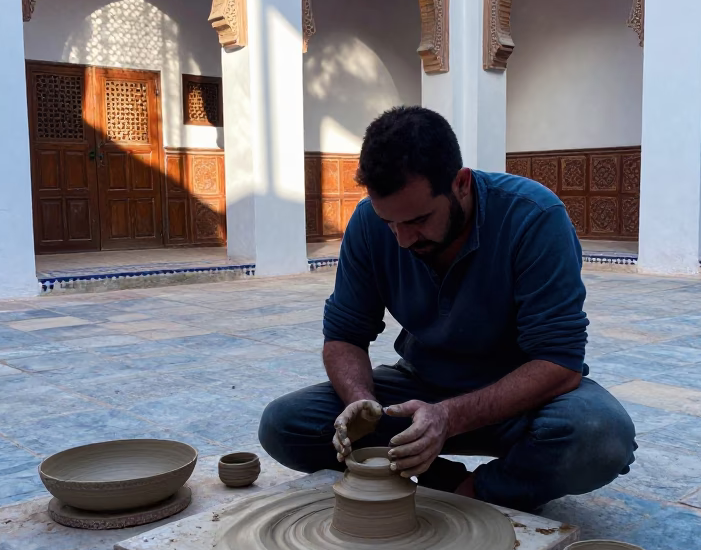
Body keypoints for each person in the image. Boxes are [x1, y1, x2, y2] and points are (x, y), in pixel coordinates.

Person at [258, 106, 636, 512]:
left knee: (600, 436)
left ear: (460, 183)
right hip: (419, 388)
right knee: (285, 424)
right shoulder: (369, 222)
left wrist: (448, 418)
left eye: (418, 221)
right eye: (391, 223)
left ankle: (477, 492)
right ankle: (439, 478)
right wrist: (361, 402)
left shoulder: (534, 218)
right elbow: (345, 335)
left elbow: (559, 362)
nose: (402, 240)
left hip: (521, 401)